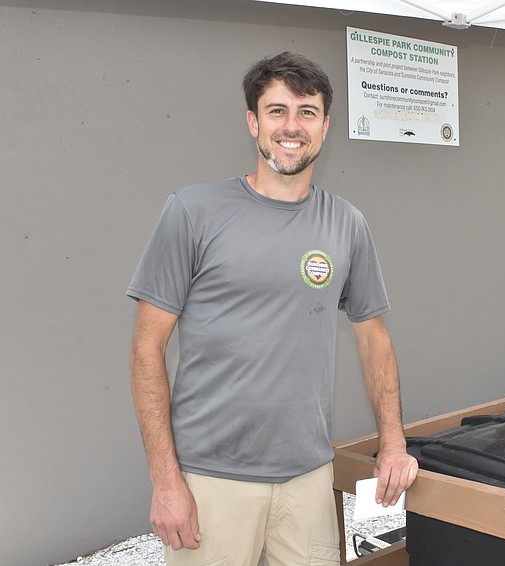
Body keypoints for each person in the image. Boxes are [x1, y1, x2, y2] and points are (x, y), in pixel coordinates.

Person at [127, 51, 418, 566]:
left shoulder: (346, 223)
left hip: (308, 476)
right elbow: (147, 348)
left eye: (307, 112)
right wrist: (166, 480)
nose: (292, 126)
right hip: (212, 479)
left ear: (325, 127)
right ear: (252, 122)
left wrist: (393, 442)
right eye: (277, 110)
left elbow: (373, 336)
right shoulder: (193, 212)